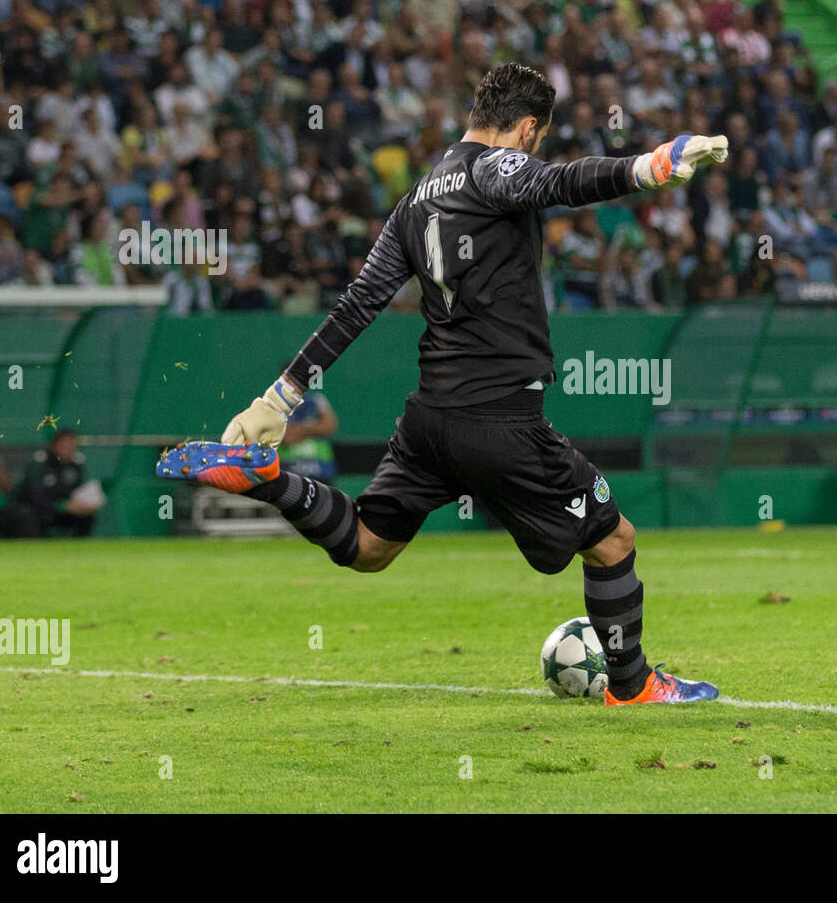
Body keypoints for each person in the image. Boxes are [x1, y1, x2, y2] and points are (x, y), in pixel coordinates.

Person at [158, 63, 726, 706]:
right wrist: (650, 165)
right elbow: (560, 181)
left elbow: (359, 303)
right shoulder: (498, 167)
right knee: (613, 539)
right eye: (535, 139)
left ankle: (270, 480)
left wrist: (280, 397)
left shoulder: (418, 197)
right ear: (528, 128)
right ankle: (632, 686)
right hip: (502, 419)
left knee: (369, 547)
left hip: (430, 418)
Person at [11, 430, 102, 537]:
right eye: (64, 444)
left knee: (86, 517)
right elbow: (33, 494)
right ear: (54, 445)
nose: (68, 448)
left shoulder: (77, 465)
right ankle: (34, 549)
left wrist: (83, 505)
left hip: (65, 511)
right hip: (41, 510)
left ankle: (78, 549)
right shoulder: (41, 462)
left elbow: (81, 491)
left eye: (72, 445)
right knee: (28, 515)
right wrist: (60, 506)